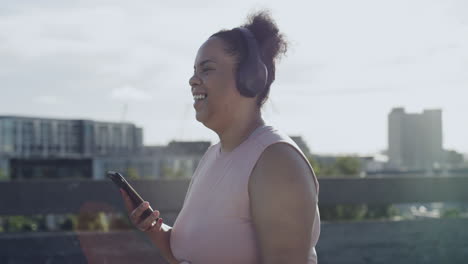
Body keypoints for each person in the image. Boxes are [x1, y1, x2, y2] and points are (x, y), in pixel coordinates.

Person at [120, 10, 320, 264]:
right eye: (194, 71)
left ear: (250, 78)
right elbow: (191, 254)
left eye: (207, 69)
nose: (193, 80)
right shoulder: (214, 155)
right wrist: (154, 229)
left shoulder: (276, 162)